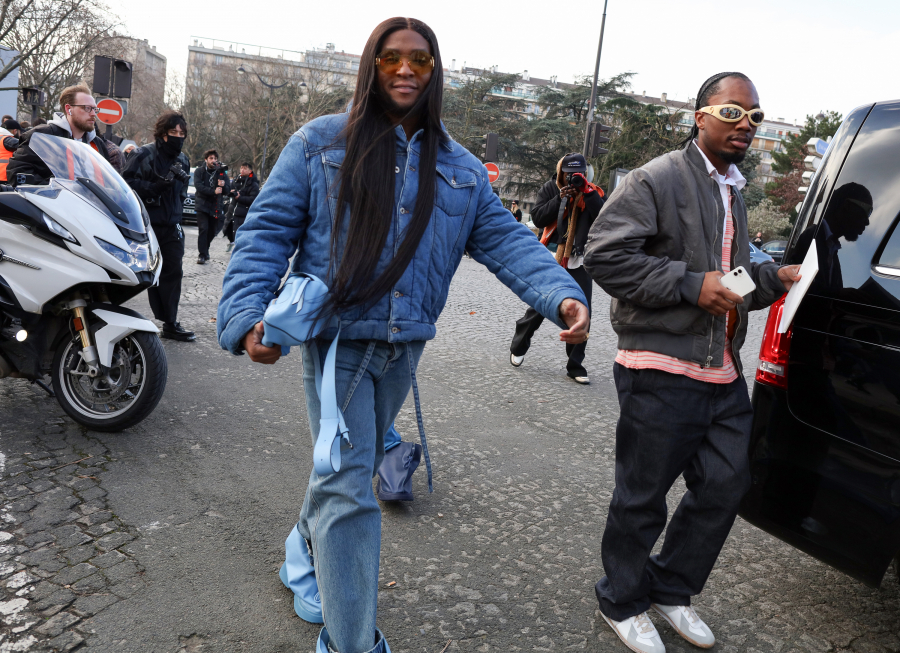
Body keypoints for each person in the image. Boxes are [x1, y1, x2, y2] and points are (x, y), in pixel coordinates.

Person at [217, 17, 590, 653]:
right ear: (372, 66)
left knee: (344, 468)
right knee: (348, 486)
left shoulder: (463, 170)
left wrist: (561, 296)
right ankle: (351, 642)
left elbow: (506, 240)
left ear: (435, 71)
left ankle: (301, 557)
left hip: (403, 346)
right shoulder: (319, 142)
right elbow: (265, 232)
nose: (405, 68)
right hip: (335, 341)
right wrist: (245, 314)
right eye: (390, 57)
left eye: (419, 58)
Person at [583, 72, 802, 653]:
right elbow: (604, 255)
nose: (746, 127)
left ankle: (670, 588)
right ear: (699, 115)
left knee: (726, 485)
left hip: (720, 368)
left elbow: (724, 282)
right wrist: (687, 284)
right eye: (733, 112)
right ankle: (621, 599)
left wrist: (768, 281)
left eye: (755, 117)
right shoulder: (657, 178)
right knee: (642, 494)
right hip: (659, 364)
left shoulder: (734, 189)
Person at [509, 153, 603, 385]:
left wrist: (587, 193)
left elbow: (603, 217)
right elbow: (539, 219)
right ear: (561, 172)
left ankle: (575, 365)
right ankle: (519, 345)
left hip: (579, 259)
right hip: (551, 256)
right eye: (569, 174)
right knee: (540, 307)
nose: (573, 178)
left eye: (578, 174)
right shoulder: (550, 188)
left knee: (583, 310)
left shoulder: (594, 191)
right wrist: (561, 199)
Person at [122, 111, 195, 342]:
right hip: (146, 225)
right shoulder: (143, 154)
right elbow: (125, 184)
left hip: (171, 226)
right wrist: (153, 188)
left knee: (173, 272)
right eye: (173, 132)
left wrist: (177, 217)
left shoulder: (183, 159)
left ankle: (170, 322)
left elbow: (182, 194)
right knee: (138, 274)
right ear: (162, 133)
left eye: (181, 133)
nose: (178, 136)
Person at [8, 83, 111, 184]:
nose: (93, 114)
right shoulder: (43, 136)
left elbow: (108, 181)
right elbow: (17, 171)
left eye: (95, 109)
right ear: (68, 109)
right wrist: (54, 192)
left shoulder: (97, 144)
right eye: (87, 108)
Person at [193, 149, 231, 264]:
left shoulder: (221, 172)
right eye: (211, 158)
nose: (213, 160)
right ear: (206, 159)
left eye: (215, 158)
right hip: (202, 205)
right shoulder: (199, 171)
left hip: (215, 206)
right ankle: (202, 255)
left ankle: (205, 250)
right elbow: (199, 187)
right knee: (203, 229)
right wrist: (213, 191)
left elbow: (227, 191)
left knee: (212, 231)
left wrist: (223, 186)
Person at [224, 161, 259, 252]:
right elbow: (229, 192)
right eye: (241, 168)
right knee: (227, 229)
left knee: (238, 233)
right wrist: (230, 192)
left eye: (245, 168)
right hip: (232, 211)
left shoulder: (253, 184)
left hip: (243, 213)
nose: (242, 170)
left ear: (250, 171)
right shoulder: (236, 180)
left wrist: (240, 197)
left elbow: (253, 200)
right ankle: (232, 242)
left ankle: (239, 249)